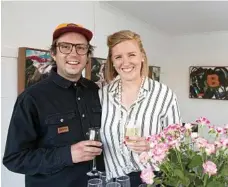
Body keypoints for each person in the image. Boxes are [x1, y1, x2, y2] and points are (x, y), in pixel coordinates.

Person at [3, 23, 104, 187]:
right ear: (54, 53)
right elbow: (14, 159)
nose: (74, 53)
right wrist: (67, 154)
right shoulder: (31, 98)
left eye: (81, 48)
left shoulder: (95, 91)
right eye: (65, 47)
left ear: (87, 56)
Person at [99, 30, 181, 187]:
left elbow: (177, 143)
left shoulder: (164, 94)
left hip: (153, 180)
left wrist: (151, 145)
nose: (125, 62)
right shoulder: (102, 96)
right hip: (116, 180)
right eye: (118, 57)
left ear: (142, 56)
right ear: (113, 62)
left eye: (131, 54)